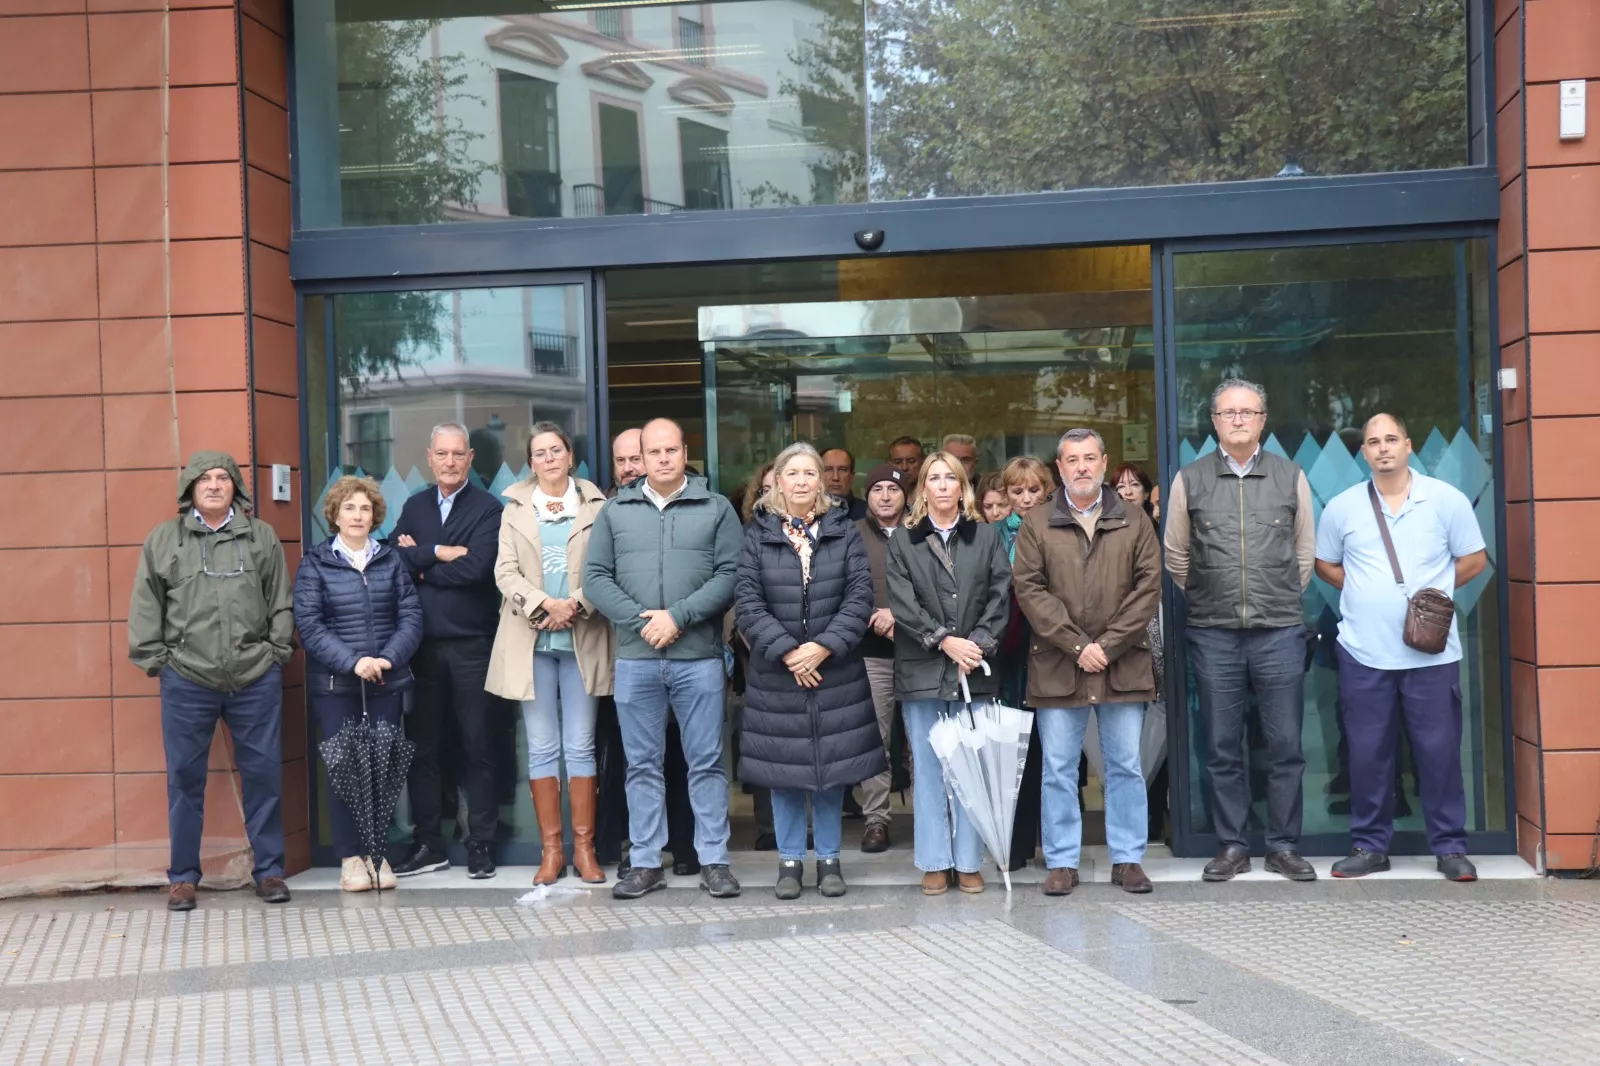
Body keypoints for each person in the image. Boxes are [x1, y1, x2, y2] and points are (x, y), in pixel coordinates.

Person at [1315, 414, 1487, 882]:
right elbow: (1325, 564)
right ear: (1364, 452)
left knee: (1439, 752)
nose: (1383, 448)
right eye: (1373, 442)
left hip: (1432, 654)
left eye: (1391, 439)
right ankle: (1369, 846)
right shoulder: (1343, 507)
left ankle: (1450, 847)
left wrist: (1434, 594)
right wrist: (1365, 591)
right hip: (1363, 652)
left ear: (1409, 445)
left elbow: (1474, 559)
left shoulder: (1445, 500)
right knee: (1368, 753)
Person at [584, 417, 744, 900]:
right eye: (652, 452)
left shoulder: (715, 508)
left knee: (707, 762)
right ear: (641, 456)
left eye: (670, 450)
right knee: (642, 765)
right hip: (637, 657)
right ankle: (647, 862)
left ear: (683, 451)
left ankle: (714, 860)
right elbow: (595, 577)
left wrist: (678, 616)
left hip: (697, 656)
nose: (662, 459)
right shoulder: (615, 511)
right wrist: (642, 621)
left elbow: (731, 574)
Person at [1165, 379, 1318, 882]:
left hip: (1278, 630)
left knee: (1285, 746)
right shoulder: (1190, 479)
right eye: (1228, 413)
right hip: (1213, 632)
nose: (1237, 420)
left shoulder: (1290, 475)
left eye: (1247, 412)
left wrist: (1274, 597)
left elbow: (1303, 555)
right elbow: (1176, 555)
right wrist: (1212, 596)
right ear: (1214, 422)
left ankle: (1282, 845)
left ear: (1262, 421)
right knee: (1221, 745)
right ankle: (1232, 844)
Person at [128, 451, 295, 912]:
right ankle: (183, 877)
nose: (216, 485)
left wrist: (275, 652)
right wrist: (159, 661)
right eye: (205, 479)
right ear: (190, 488)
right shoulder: (165, 540)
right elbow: (146, 605)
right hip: (187, 679)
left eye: (224, 477)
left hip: (254, 677)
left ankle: (270, 871)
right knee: (185, 779)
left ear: (236, 487)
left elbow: (280, 599)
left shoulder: (260, 537)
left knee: (263, 775)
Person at [1013, 429, 1162, 896]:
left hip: (1122, 663)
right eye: (1072, 459)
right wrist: (1080, 646)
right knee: (1058, 767)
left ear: (1103, 464)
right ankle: (1061, 861)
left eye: (1089, 458)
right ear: (1059, 467)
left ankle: (1128, 858)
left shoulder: (1134, 519)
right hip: (1059, 665)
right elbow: (1030, 591)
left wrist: (1109, 645)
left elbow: (1148, 588)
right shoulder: (1037, 523)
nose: (1081, 467)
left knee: (1124, 765)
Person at [736, 444, 881, 899]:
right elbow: (748, 601)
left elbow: (860, 596)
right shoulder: (757, 533)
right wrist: (788, 653)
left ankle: (831, 860)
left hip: (833, 669)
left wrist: (821, 648)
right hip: (777, 673)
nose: (801, 481)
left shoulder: (844, 530)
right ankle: (790, 862)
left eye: (809, 473)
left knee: (831, 770)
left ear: (821, 481)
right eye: (792, 473)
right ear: (778, 480)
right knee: (785, 772)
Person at [487, 423, 614, 886]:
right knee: (542, 749)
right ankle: (552, 852)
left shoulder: (598, 505)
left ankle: (584, 850)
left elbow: (608, 567)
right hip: (532, 641)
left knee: (580, 746)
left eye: (555, 450)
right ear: (530, 460)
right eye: (539, 452)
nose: (548, 459)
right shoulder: (514, 506)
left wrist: (576, 604)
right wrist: (544, 605)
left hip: (583, 638)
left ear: (570, 455)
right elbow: (504, 571)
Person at [886, 451, 1012, 895]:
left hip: (973, 670)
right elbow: (903, 603)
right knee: (928, 767)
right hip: (923, 668)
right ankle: (935, 861)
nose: (941, 485)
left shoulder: (988, 537)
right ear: (923, 488)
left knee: (969, 768)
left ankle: (968, 861)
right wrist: (943, 639)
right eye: (933, 478)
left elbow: (1001, 595)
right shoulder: (903, 540)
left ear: (963, 487)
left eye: (949, 478)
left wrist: (974, 644)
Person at [293, 476, 423, 893]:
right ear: (334, 514)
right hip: (336, 685)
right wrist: (354, 662)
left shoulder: (390, 560)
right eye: (349, 508)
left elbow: (411, 617)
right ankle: (351, 859)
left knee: (382, 769)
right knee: (345, 771)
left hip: (386, 679)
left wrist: (387, 658)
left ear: (374, 516)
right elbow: (310, 626)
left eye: (365, 509)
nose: (357, 515)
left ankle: (378, 855)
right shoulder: (315, 563)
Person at [389, 422, 505, 880]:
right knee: (423, 750)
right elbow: (394, 557)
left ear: (470, 458)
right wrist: (441, 551)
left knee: (479, 747)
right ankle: (428, 844)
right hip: (421, 647)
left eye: (459, 454)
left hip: (473, 644)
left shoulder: (488, 508)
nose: (451, 462)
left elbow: (479, 569)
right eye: (443, 454)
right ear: (430, 456)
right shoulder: (415, 505)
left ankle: (480, 844)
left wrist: (424, 562)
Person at [994, 455, 1053, 871]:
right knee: (1013, 749)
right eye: (1017, 491)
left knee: (1053, 752)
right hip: (1006, 650)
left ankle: (1052, 843)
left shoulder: (1057, 527)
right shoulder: (991, 534)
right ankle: (1014, 844)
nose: (1026, 498)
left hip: (1051, 646)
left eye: (1034, 490)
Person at [853, 463, 909, 852]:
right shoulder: (851, 536)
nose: (885, 495)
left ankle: (937, 816)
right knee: (875, 739)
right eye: (877, 489)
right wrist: (874, 617)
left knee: (925, 739)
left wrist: (899, 616)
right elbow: (843, 589)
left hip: (924, 650)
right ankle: (876, 820)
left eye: (892, 488)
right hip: (872, 650)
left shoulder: (923, 532)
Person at [736, 461, 779, 851]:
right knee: (767, 741)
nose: (769, 495)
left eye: (775, 486)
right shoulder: (746, 536)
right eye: (763, 489)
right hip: (758, 654)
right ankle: (769, 826)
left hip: (809, 656)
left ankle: (807, 827)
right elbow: (742, 600)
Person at [822, 447, 868, 521]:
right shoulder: (806, 513)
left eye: (842, 470)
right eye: (828, 470)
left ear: (852, 476)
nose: (835, 477)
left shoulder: (868, 514)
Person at [608, 427, 645, 498]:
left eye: (635, 459)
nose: (627, 469)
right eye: (620, 460)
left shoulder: (669, 501)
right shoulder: (601, 505)